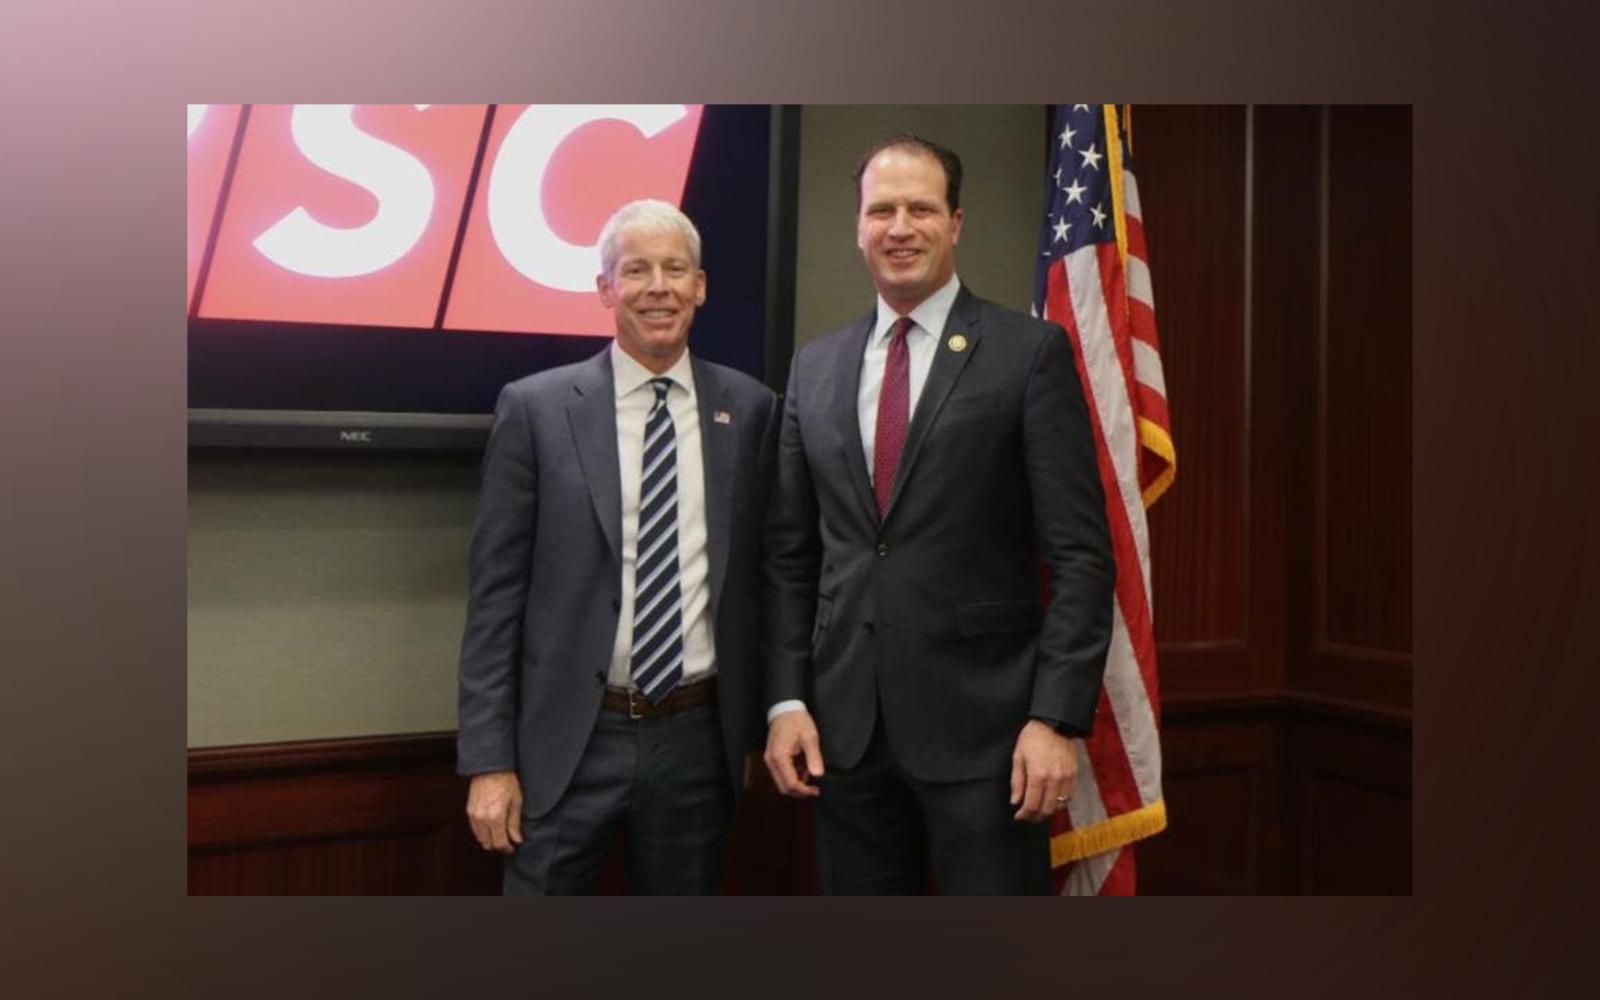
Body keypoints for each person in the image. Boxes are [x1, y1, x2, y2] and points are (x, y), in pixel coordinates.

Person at [762, 134, 1116, 894]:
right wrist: (787, 699)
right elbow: (792, 555)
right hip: (845, 737)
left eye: (920, 210)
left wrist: (1055, 718)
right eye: (881, 210)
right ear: (858, 227)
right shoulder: (814, 366)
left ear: (956, 223)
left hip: (992, 740)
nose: (900, 228)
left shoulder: (1028, 353)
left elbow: (1081, 555)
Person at [457, 199, 778, 894]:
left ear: (700, 286)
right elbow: (495, 601)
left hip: (697, 741)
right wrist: (488, 760)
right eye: (636, 270)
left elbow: (769, 579)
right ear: (605, 288)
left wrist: (767, 719)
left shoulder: (752, 410)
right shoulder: (537, 410)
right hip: (567, 743)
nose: (658, 287)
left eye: (675, 269)